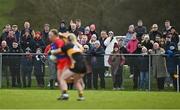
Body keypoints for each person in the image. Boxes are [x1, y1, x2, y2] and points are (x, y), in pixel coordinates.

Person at [49, 33, 86, 101]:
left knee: (62, 78)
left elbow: (58, 51)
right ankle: (81, 96)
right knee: (76, 81)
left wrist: (51, 52)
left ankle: (65, 94)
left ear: (68, 40)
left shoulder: (68, 45)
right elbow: (81, 49)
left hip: (76, 65)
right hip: (83, 65)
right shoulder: (77, 46)